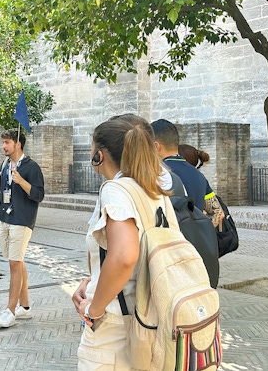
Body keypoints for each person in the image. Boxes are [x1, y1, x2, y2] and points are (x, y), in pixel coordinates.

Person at [72, 118, 170, 370]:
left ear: (99, 155)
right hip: (146, 313)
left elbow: (125, 256)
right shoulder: (153, 189)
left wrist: (94, 309)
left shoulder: (116, 190)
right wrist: (93, 280)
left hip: (114, 323)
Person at [0, 129, 44, 328]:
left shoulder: (31, 167)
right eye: (3, 142)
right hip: (5, 218)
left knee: (14, 263)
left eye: (7, 142)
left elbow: (38, 195)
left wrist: (21, 181)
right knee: (17, 262)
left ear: (18, 144)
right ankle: (25, 308)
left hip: (22, 220)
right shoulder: (5, 164)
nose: (3, 146)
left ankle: (10, 310)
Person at [151, 119, 223, 225]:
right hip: (195, 241)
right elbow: (218, 213)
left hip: (169, 239)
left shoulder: (158, 173)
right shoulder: (198, 175)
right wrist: (201, 232)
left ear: (156, 146)